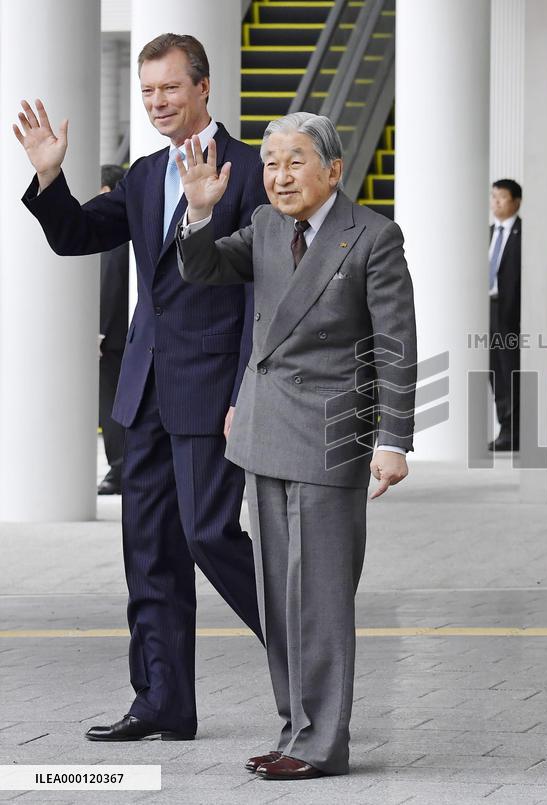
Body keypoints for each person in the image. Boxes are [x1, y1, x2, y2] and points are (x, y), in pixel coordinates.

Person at [14, 33, 267, 742]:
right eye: (148, 90)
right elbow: (74, 236)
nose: (157, 102)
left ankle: (306, 658)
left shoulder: (249, 170)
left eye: (170, 89)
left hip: (214, 387)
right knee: (149, 548)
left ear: (204, 87)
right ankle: (161, 700)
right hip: (144, 387)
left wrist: (247, 386)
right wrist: (49, 179)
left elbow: (258, 292)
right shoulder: (143, 173)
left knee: (211, 534)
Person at [175, 112, 416, 780]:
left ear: (333, 170)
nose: (279, 175)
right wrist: (198, 214)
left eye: (295, 161)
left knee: (322, 596)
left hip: (331, 433)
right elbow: (202, 270)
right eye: (272, 161)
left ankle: (324, 742)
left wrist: (393, 439)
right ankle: (294, 729)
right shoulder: (265, 225)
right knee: (279, 595)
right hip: (265, 430)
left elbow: (394, 347)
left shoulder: (373, 236)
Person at [97, 163, 129, 495]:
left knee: (111, 404)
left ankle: (118, 468)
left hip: (114, 337)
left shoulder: (114, 235)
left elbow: (110, 282)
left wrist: (100, 331)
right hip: (125, 334)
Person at [488, 178, 522, 451]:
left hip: (512, 313)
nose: (495, 202)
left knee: (511, 371)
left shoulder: (525, 234)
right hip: (488, 310)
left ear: (516, 202)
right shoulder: (487, 233)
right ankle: (505, 429)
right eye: (493, 197)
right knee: (494, 371)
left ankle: (515, 430)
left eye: (501, 197)